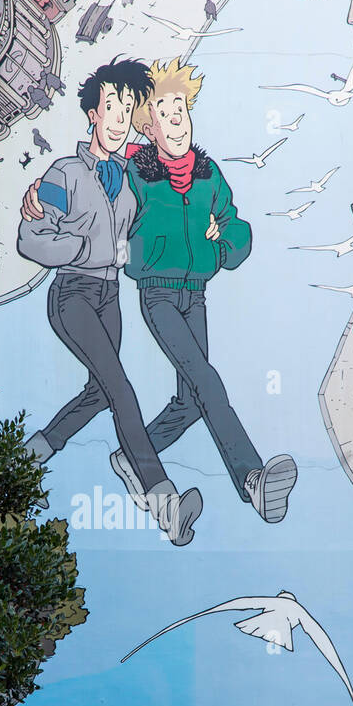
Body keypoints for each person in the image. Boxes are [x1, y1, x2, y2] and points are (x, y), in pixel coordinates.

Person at [16, 59, 203, 546]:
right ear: (93, 114)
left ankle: (36, 450)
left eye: (127, 108)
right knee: (121, 389)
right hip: (72, 294)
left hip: (110, 296)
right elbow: (30, 237)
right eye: (111, 106)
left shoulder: (135, 174)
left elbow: (174, 179)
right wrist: (76, 246)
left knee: (101, 391)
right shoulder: (66, 172)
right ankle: (163, 497)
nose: (120, 117)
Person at [121, 59, 297, 524]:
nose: (175, 114)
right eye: (163, 107)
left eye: (181, 105)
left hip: (195, 293)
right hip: (157, 293)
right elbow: (106, 210)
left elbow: (237, 226)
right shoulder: (134, 174)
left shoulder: (207, 172)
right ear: (148, 123)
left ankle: (132, 455)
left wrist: (223, 247)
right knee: (207, 381)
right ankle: (252, 479)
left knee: (190, 400)